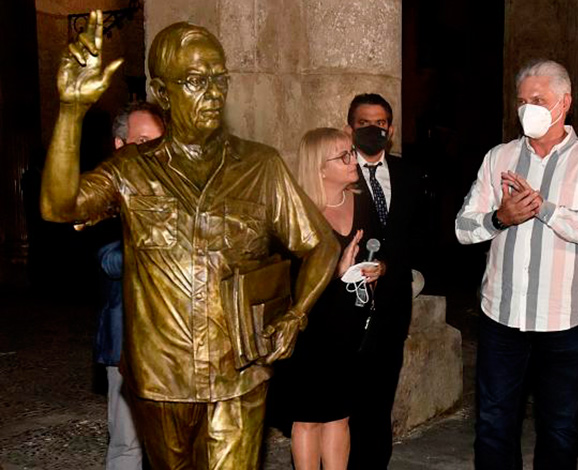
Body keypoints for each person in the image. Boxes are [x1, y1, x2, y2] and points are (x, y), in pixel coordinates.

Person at [39, 11, 338, 469]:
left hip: (238, 374)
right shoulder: (132, 170)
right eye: (196, 82)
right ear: (162, 93)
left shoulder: (260, 166)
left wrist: (296, 314)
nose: (214, 93)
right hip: (162, 377)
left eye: (220, 79)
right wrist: (70, 112)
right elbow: (59, 206)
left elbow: (321, 244)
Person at [455, 59, 578, 470]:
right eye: (521, 100)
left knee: (560, 429)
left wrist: (545, 209)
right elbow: (462, 227)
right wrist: (501, 218)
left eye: (538, 99)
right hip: (501, 317)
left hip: (565, 320)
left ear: (564, 102)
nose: (527, 107)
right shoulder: (499, 157)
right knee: (494, 425)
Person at [283, 128, 384, 470]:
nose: (352, 159)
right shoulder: (299, 213)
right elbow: (288, 283)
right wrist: (334, 273)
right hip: (310, 330)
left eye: (351, 152)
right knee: (309, 417)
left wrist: (378, 268)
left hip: (350, 328)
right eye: (343, 156)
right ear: (319, 168)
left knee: (340, 415)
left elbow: (383, 247)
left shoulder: (363, 199)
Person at [344, 93, 418, 470]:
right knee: (348, 393)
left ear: (390, 128)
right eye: (364, 124)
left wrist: (398, 270)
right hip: (348, 304)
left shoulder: (406, 173)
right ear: (350, 128)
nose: (374, 130)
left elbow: (414, 235)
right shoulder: (340, 173)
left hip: (393, 303)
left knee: (382, 390)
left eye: (381, 123)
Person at [95, 101, 164, 470]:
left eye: (159, 141)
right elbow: (109, 260)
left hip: (178, 344)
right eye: (143, 140)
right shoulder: (105, 192)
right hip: (128, 343)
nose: (153, 150)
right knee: (127, 444)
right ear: (121, 145)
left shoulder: (176, 189)